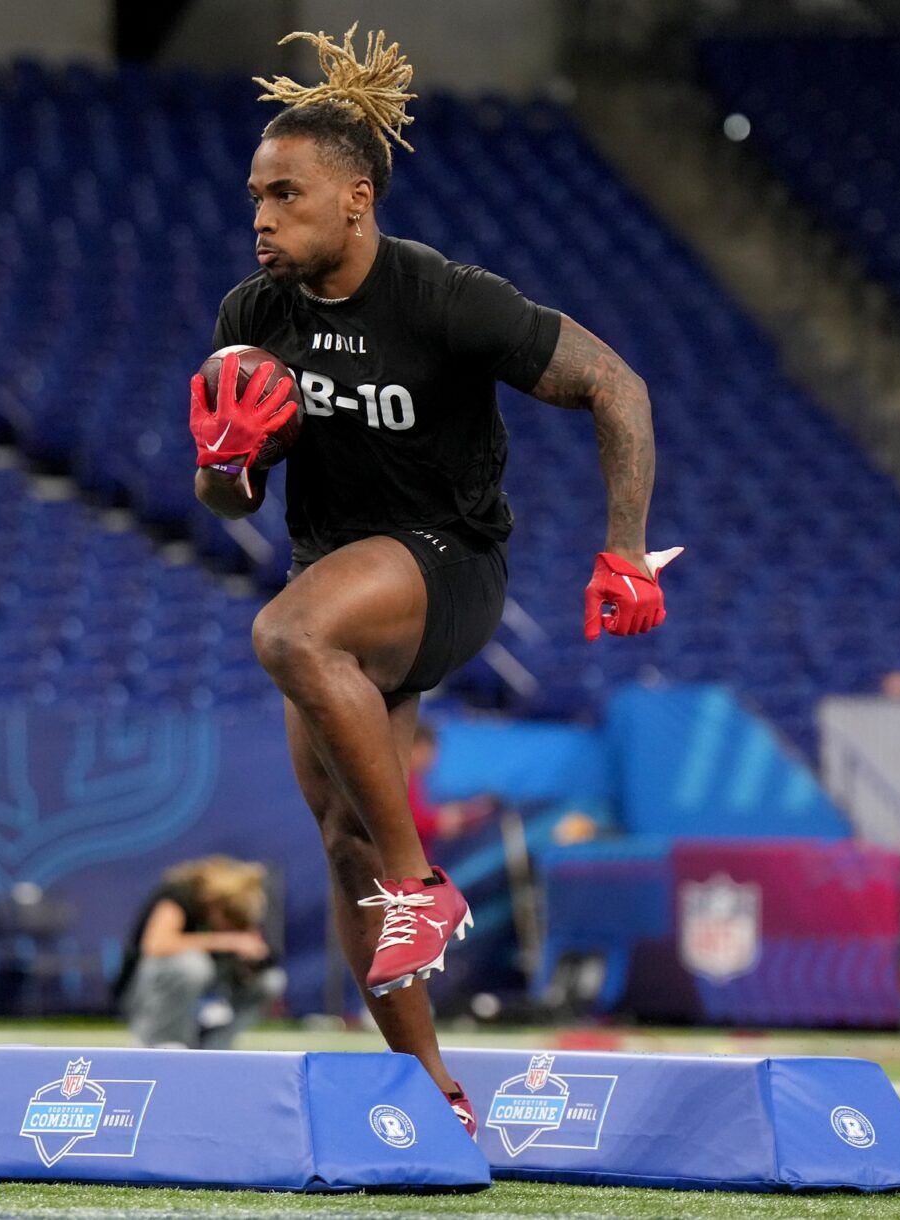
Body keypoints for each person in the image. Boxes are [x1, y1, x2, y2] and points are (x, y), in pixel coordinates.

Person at [187, 26, 677, 1133]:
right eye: (254, 196)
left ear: (356, 199)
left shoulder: (443, 298)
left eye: (285, 194)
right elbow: (231, 503)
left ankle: (423, 885)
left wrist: (624, 545)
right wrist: (225, 463)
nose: (261, 217)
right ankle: (435, 1091)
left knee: (287, 636)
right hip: (339, 577)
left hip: (450, 565)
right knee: (341, 833)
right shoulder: (250, 318)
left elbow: (618, 385)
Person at [115, 856, 286, 1049]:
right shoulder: (180, 894)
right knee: (192, 965)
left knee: (271, 980)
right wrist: (227, 942)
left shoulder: (237, 915)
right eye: (231, 921)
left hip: (209, 992)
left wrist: (251, 961)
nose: (232, 929)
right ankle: (163, 1042)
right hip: (145, 993)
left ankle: (214, 1048)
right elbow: (155, 944)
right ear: (217, 905)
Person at [406, 723, 495, 862]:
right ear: (418, 747)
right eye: (430, 753)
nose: (432, 761)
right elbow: (410, 821)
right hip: (408, 864)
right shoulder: (406, 777)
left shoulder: (413, 779)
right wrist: (447, 818)